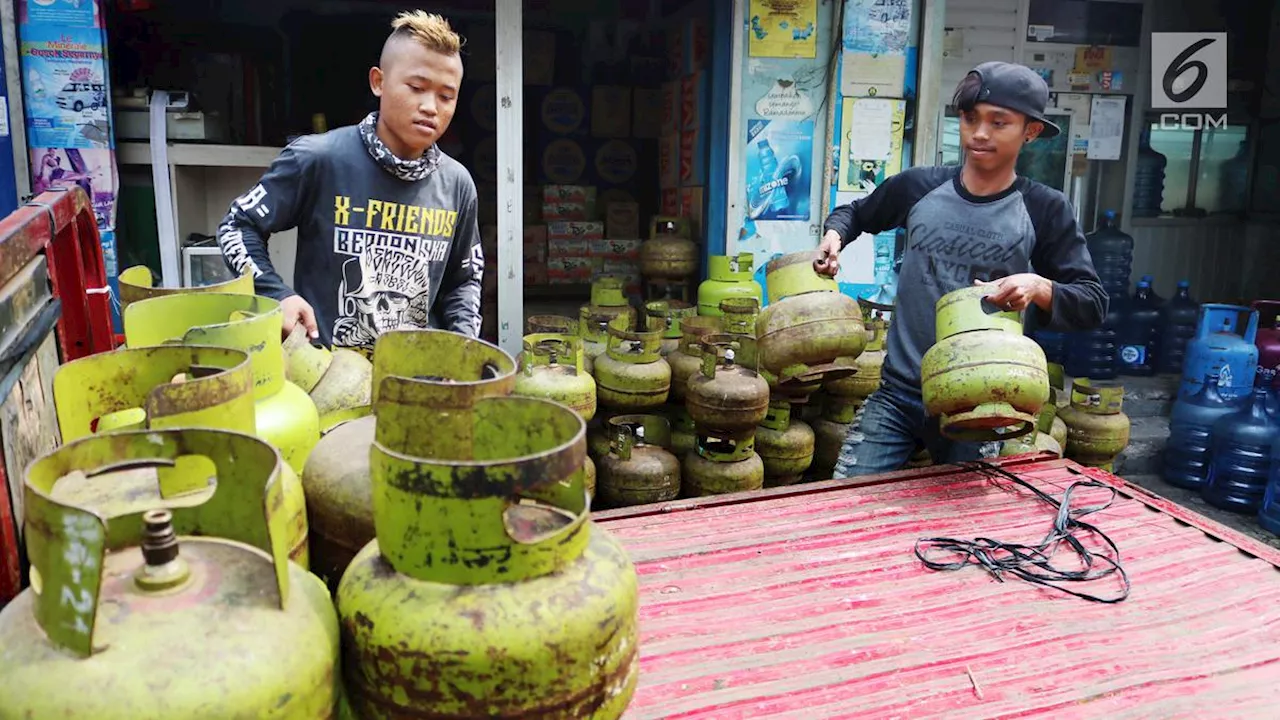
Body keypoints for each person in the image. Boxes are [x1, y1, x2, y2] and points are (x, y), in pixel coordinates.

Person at [814, 61, 1107, 477]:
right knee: (850, 502)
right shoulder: (919, 187)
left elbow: (1093, 302)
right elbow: (857, 213)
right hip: (899, 392)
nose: (980, 133)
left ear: (1031, 131)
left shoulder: (1044, 208)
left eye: (998, 122)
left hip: (982, 401)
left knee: (962, 529)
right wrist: (834, 236)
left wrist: (1039, 286)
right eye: (971, 119)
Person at [217, 11, 483, 350]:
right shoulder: (318, 159)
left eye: (447, 96)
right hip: (325, 378)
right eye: (416, 87)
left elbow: (464, 282)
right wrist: (276, 294)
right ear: (378, 82)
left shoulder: (457, 185)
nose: (431, 106)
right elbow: (237, 226)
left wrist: (462, 352)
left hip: (418, 383)